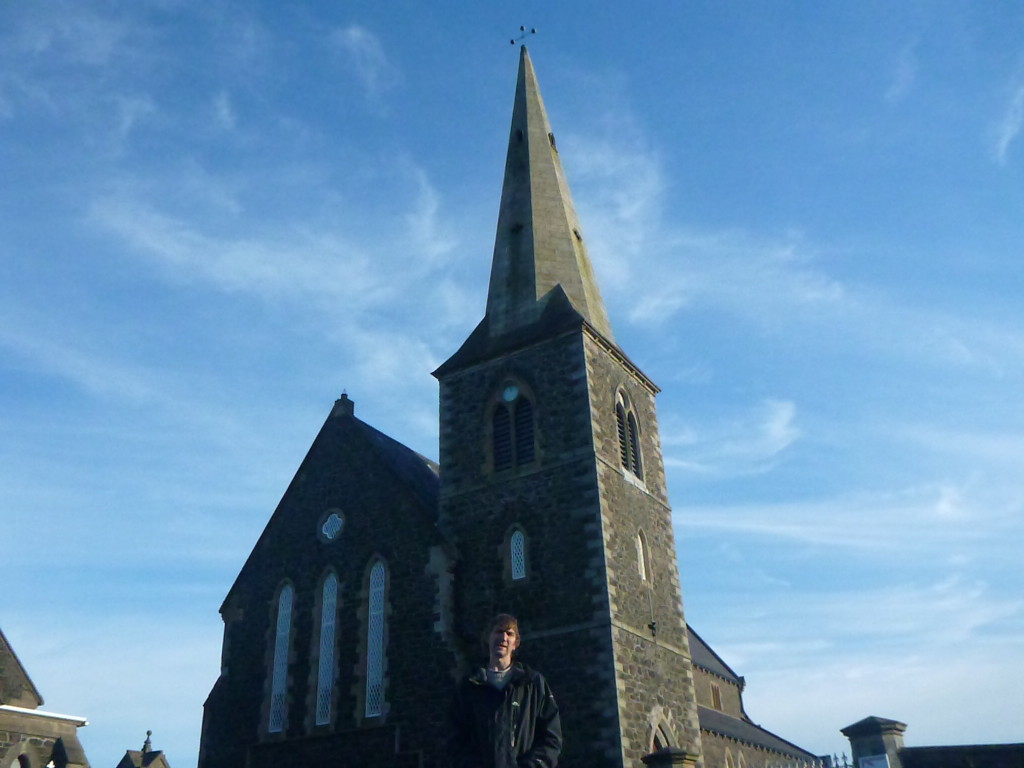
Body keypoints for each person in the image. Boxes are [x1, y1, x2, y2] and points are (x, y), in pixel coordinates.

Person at [449, 614, 562, 768]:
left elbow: (551, 737)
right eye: (498, 631)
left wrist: (534, 765)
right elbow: (456, 738)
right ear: (487, 638)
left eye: (509, 633)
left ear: (516, 643)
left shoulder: (532, 684)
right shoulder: (469, 687)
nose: (503, 637)